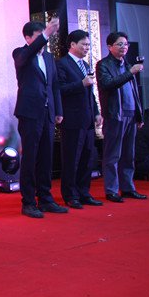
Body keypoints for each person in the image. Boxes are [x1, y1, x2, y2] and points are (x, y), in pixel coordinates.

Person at [13, 18, 67, 218]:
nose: (44, 40)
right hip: (29, 113)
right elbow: (24, 57)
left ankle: (45, 198)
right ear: (28, 38)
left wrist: (58, 110)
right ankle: (28, 202)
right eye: (38, 37)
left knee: (46, 157)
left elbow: (54, 85)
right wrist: (46, 34)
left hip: (48, 112)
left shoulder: (49, 58)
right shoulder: (20, 53)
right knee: (30, 157)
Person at [56, 30, 103, 209]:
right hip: (72, 119)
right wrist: (80, 84)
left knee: (87, 158)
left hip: (88, 119)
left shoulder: (85, 64)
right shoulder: (62, 64)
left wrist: (96, 112)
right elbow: (59, 89)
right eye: (84, 44)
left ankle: (84, 192)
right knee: (72, 159)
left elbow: (91, 92)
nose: (87, 48)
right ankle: (70, 195)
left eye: (88, 45)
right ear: (72, 44)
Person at [96, 32, 146, 202]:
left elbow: (135, 92)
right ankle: (111, 190)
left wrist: (139, 116)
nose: (124, 47)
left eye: (125, 44)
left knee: (128, 155)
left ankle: (128, 188)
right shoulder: (103, 65)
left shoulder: (128, 64)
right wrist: (130, 72)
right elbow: (107, 84)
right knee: (112, 155)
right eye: (119, 44)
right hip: (115, 114)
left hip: (131, 114)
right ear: (109, 47)